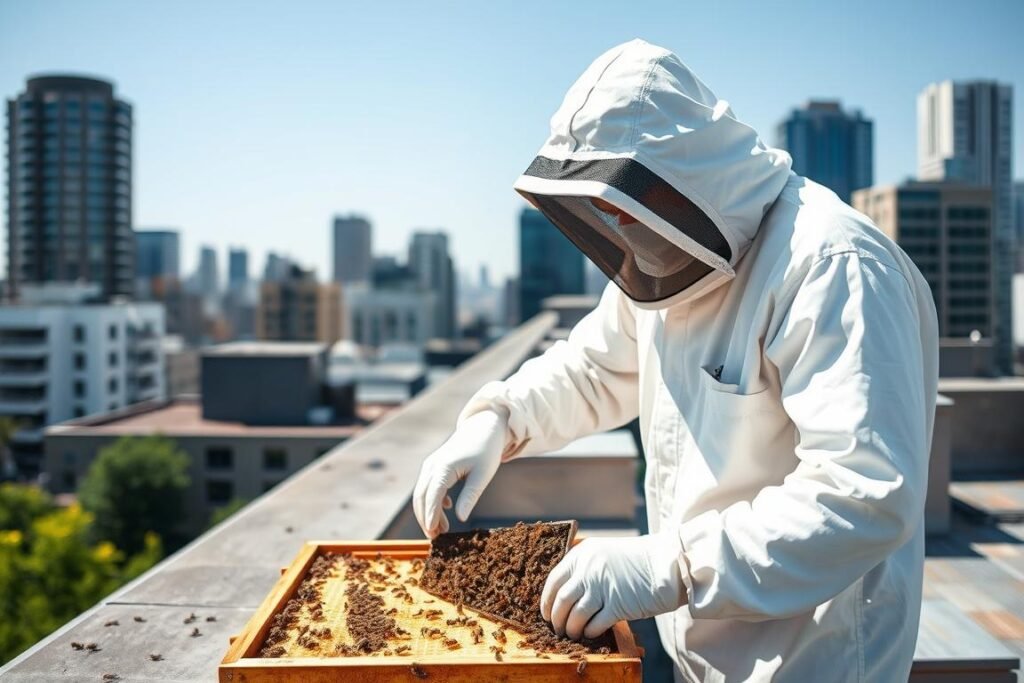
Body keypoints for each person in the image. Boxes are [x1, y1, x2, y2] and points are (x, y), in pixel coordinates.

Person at [413, 39, 938, 682]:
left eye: (621, 205)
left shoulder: (833, 266)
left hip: (814, 661)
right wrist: (498, 419)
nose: (617, 228)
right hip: (702, 651)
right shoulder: (666, 259)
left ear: (680, 178)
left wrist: (670, 566)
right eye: (602, 212)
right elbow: (595, 369)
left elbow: (864, 494)